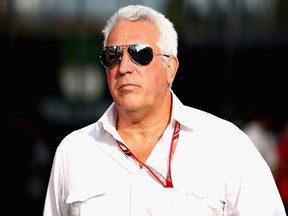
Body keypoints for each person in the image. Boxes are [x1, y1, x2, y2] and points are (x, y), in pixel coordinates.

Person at [42, 4, 286, 216]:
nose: (124, 67)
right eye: (112, 55)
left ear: (170, 67)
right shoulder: (74, 151)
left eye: (140, 54)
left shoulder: (227, 146)